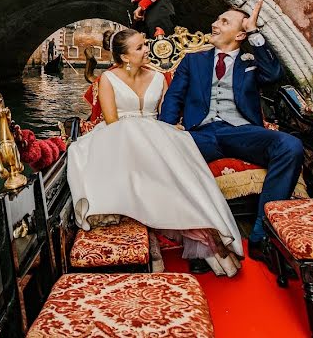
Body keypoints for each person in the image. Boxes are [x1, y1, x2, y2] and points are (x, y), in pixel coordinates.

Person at [67, 29, 243, 277]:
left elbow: (166, 115)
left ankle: (203, 235)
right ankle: (158, 241)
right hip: (118, 138)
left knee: (178, 160)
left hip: (155, 134)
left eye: (145, 44)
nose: (147, 50)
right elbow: (112, 122)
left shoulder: (159, 78)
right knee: (131, 142)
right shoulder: (108, 79)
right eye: (140, 47)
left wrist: (172, 128)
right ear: (125, 57)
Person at [158, 0, 304, 266]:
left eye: (224, 22)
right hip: (200, 134)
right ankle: (200, 241)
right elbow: (173, 100)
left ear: (240, 35)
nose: (214, 24)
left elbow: (274, 75)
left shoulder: (250, 62)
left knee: (291, 146)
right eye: (217, 19)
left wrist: (255, 32)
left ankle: (262, 236)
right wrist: (165, 134)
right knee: (165, 156)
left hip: (242, 132)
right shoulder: (193, 61)